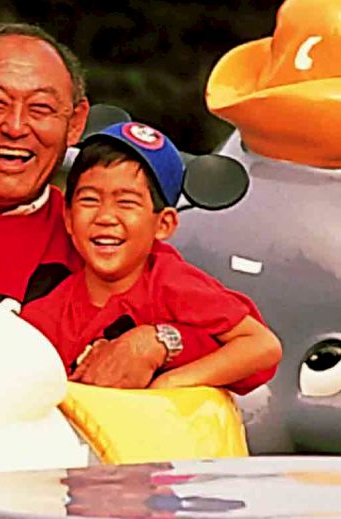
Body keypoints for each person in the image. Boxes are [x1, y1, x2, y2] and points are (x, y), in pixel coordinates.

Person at [0, 23, 252, 391]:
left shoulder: (99, 235)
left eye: (41, 109)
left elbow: (242, 348)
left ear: (75, 123)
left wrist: (158, 342)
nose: (16, 126)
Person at [22, 122, 281, 392]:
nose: (106, 217)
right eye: (89, 200)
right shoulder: (47, 314)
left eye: (127, 202)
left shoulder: (173, 283)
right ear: (68, 217)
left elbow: (262, 346)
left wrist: (170, 382)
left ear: (164, 224)